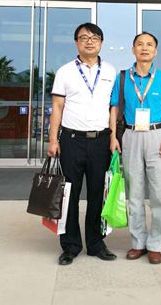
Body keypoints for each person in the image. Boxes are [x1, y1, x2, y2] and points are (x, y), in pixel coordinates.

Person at [48, 23, 117, 266]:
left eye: (94, 37)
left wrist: (113, 137)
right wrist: (53, 139)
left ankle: (96, 244)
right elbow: (57, 107)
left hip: (100, 141)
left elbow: (113, 108)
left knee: (99, 194)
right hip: (71, 141)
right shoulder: (65, 71)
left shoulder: (110, 71)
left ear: (101, 43)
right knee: (69, 195)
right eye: (84, 37)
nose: (89, 41)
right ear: (76, 42)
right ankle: (70, 246)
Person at [109, 32, 161, 265]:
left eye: (149, 45)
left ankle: (156, 244)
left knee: (160, 194)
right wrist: (113, 136)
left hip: (157, 136)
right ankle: (138, 242)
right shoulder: (122, 78)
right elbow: (114, 109)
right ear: (133, 49)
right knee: (134, 193)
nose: (144, 48)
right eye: (140, 44)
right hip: (130, 136)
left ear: (155, 51)